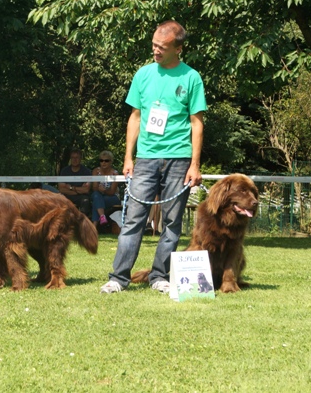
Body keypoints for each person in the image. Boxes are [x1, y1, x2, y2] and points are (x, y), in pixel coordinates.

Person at [101, 20, 206, 294]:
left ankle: (160, 276)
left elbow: (197, 122)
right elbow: (134, 117)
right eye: (153, 46)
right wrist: (128, 157)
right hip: (146, 159)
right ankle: (118, 278)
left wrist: (195, 165)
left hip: (179, 160)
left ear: (178, 48)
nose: (156, 51)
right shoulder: (143, 75)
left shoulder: (191, 78)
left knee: (172, 223)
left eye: (162, 47)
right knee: (133, 219)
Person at [90, 150, 121, 228]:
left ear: (111, 161)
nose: (103, 162)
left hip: (112, 197)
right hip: (99, 195)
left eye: (106, 160)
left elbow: (112, 192)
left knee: (96, 201)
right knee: (96, 196)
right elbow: (94, 188)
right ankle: (102, 216)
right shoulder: (96, 171)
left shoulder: (115, 173)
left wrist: (104, 190)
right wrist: (99, 190)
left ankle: (94, 226)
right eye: (101, 160)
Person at [58, 148, 92, 217]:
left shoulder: (86, 171)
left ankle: (82, 223)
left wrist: (70, 187)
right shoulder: (64, 171)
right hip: (67, 196)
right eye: (73, 158)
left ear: (80, 159)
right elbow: (61, 189)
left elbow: (86, 190)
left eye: (77, 157)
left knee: (86, 201)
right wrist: (79, 190)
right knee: (60, 200)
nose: (74, 160)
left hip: (81, 197)